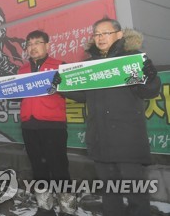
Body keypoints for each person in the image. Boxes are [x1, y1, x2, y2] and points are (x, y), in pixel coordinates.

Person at [64, 18, 160, 216]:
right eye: (96, 34)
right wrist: (62, 87)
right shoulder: (89, 65)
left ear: (118, 35)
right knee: (110, 192)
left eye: (105, 33)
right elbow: (84, 95)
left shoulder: (131, 59)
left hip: (127, 139)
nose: (100, 38)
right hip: (100, 137)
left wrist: (150, 77)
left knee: (135, 192)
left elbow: (148, 91)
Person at [18, 30, 75, 216]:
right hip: (29, 125)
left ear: (47, 45)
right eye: (29, 44)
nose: (33, 47)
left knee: (59, 167)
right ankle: (45, 207)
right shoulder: (22, 70)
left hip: (53, 125)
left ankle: (67, 209)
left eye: (37, 42)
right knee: (38, 167)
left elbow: (74, 92)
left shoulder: (60, 66)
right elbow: (15, 98)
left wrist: (63, 84)